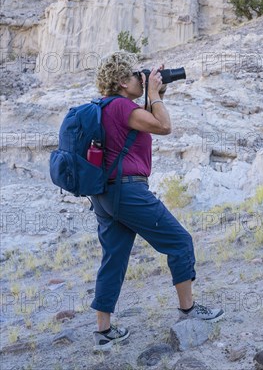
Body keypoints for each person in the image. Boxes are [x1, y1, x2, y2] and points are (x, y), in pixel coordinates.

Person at [90, 51, 224, 352]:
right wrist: (151, 91)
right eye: (135, 75)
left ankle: (103, 331)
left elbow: (149, 119)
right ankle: (189, 310)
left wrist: (156, 90)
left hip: (104, 195)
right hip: (128, 191)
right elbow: (164, 126)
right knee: (179, 241)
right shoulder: (123, 107)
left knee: (114, 258)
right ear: (123, 82)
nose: (140, 78)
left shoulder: (108, 107)